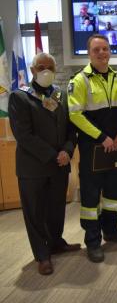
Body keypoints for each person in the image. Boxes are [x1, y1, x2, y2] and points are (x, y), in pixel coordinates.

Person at [8, 53, 81, 275]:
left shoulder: (60, 95)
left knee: (57, 209)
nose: (46, 71)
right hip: (33, 168)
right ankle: (42, 255)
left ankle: (56, 242)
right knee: (35, 213)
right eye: (41, 67)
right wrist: (53, 155)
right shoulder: (19, 97)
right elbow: (24, 135)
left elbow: (71, 127)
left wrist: (67, 150)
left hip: (60, 165)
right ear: (32, 70)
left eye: (50, 67)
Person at [68, 34, 117, 263]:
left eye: (105, 49)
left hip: (116, 147)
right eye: (97, 50)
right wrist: (102, 137)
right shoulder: (79, 80)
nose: (102, 53)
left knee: (114, 193)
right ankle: (92, 240)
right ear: (89, 53)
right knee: (91, 198)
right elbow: (75, 115)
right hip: (94, 147)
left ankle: (111, 231)